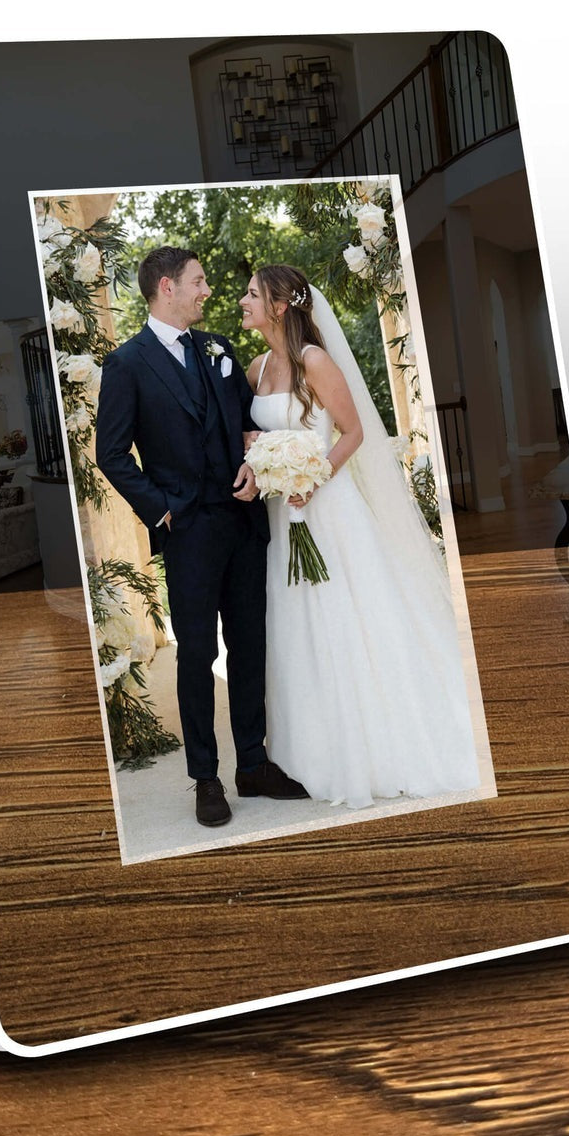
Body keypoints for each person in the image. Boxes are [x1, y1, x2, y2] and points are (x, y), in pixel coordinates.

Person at [240, 264, 483, 808]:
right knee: (294, 621)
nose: (243, 300)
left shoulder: (315, 361)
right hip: (283, 517)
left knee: (346, 617)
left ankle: (371, 742)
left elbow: (354, 432)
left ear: (280, 306)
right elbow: (252, 430)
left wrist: (311, 478)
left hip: (326, 509)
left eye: (253, 293)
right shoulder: (255, 368)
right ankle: (303, 751)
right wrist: (256, 446)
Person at [95, 247, 308, 828]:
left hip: (242, 523)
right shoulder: (127, 364)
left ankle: (254, 766)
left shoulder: (217, 348)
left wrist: (257, 463)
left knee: (249, 646)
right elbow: (110, 454)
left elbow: (246, 423)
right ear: (167, 287)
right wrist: (161, 510)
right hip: (185, 532)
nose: (207, 290)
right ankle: (206, 779)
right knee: (196, 656)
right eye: (198, 281)